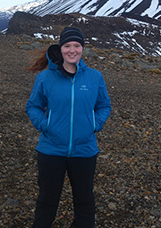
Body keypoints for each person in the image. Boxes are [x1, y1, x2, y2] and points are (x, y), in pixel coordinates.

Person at [26, 26, 111, 228]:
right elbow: (33, 106)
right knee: (47, 200)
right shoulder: (45, 78)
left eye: (77, 45)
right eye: (67, 45)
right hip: (51, 149)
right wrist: (45, 125)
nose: (72, 50)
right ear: (60, 47)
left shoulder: (94, 77)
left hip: (84, 150)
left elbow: (104, 105)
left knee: (84, 200)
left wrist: (95, 124)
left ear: (82, 48)